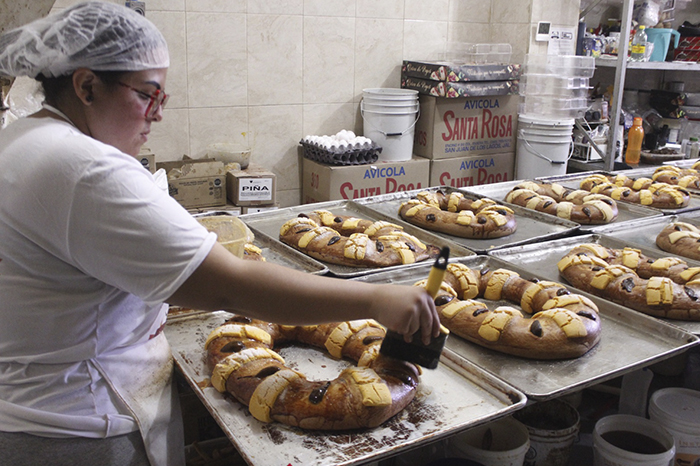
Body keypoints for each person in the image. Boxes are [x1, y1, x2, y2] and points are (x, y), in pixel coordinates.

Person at [0, 3, 440, 466]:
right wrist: (375, 299)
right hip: (78, 426)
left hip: (33, 402)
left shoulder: (23, 138)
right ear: (86, 86)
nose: (157, 115)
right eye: (148, 95)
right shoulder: (86, 170)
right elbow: (234, 287)